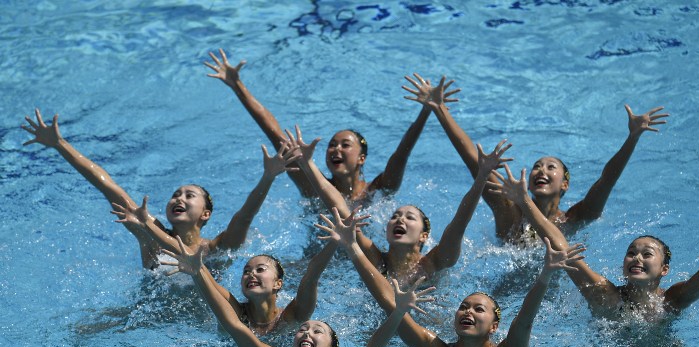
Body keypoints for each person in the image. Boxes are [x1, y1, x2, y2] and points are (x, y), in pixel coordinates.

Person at [163, 235, 434, 347]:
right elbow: (234, 326)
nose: (306, 332)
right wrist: (199, 274)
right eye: (303, 330)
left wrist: (398, 313)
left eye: (317, 331)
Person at [317, 208, 585, 347]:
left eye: (479, 309)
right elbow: (390, 307)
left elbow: (525, 320)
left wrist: (545, 275)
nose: (468, 311)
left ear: (494, 326)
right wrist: (352, 248)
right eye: (464, 307)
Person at [23, 108, 299, 269]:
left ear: (206, 214)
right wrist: (61, 145)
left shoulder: (217, 248)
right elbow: (109, 187)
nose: (179, 198)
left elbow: (245, 216)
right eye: (175, 194)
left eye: (190, 196)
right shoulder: (150, 234)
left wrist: (268, 177)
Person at [408, 81, 668, 242]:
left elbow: (607, 180)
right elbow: (473, 160)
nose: (541, 170)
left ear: (565, 184)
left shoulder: (575, 218)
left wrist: (632, 138)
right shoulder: (510, 211)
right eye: (536, 167)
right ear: (528, 184)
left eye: (550, 167)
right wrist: (440, 110)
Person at [489, 166, 699, 321]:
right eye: (631, 253)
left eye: (646, 254)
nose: (636, 258)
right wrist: (524, 201)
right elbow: (562, 246)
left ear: (664, 270)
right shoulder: (606, 295)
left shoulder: (671, 301)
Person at [205, 49, 458, 201]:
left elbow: (402, 154)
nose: (335, 149)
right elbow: (275, 134)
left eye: (345, 145)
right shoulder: (313, 188)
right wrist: (238, 86)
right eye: (332, 145)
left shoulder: (379, 191)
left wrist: (427, 111)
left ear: (362, 158)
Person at [284, 125, 511, 284]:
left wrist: (481, 178)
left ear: (424, 236)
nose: (399, 219)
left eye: (409, 217)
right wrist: (307, 164)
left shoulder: (436, 261)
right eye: (395, 216)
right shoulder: (375, 260)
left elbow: (461, 220)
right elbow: (340, 208)